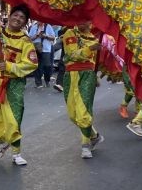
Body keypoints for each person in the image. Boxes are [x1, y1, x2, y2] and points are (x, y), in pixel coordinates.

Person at [0, 4, 38, 166]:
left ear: (25, 22)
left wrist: (10, 67)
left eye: (22, 17)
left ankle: (16, 154)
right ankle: (3, 142)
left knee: (13, 121)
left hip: (14, 84)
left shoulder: (26, 41)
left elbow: (31, 64)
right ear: (9, 16)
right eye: (15, 15)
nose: (18, 19)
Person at [60, 24, 104, 159]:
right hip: (70, 76)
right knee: (73, 115)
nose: (82, 22)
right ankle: (94, 136)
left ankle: (85, 146)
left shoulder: (94, 38)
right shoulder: (70, 33)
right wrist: (90, 49)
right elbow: (72, 55)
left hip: (87, 77)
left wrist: (95, 76)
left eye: (86, 19)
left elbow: (94, 60)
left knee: (83, 112)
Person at [28, 20, 56, 88]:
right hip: (36, 49)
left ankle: (47, 80)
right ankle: (38, 83)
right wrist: (36, 35)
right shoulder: (34, 27)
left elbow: (53, 38)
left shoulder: (48, 26)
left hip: (46, 49)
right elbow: (29, 39)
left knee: (47, 66)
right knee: (36, 66)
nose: (39, 21)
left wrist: (46, 36)